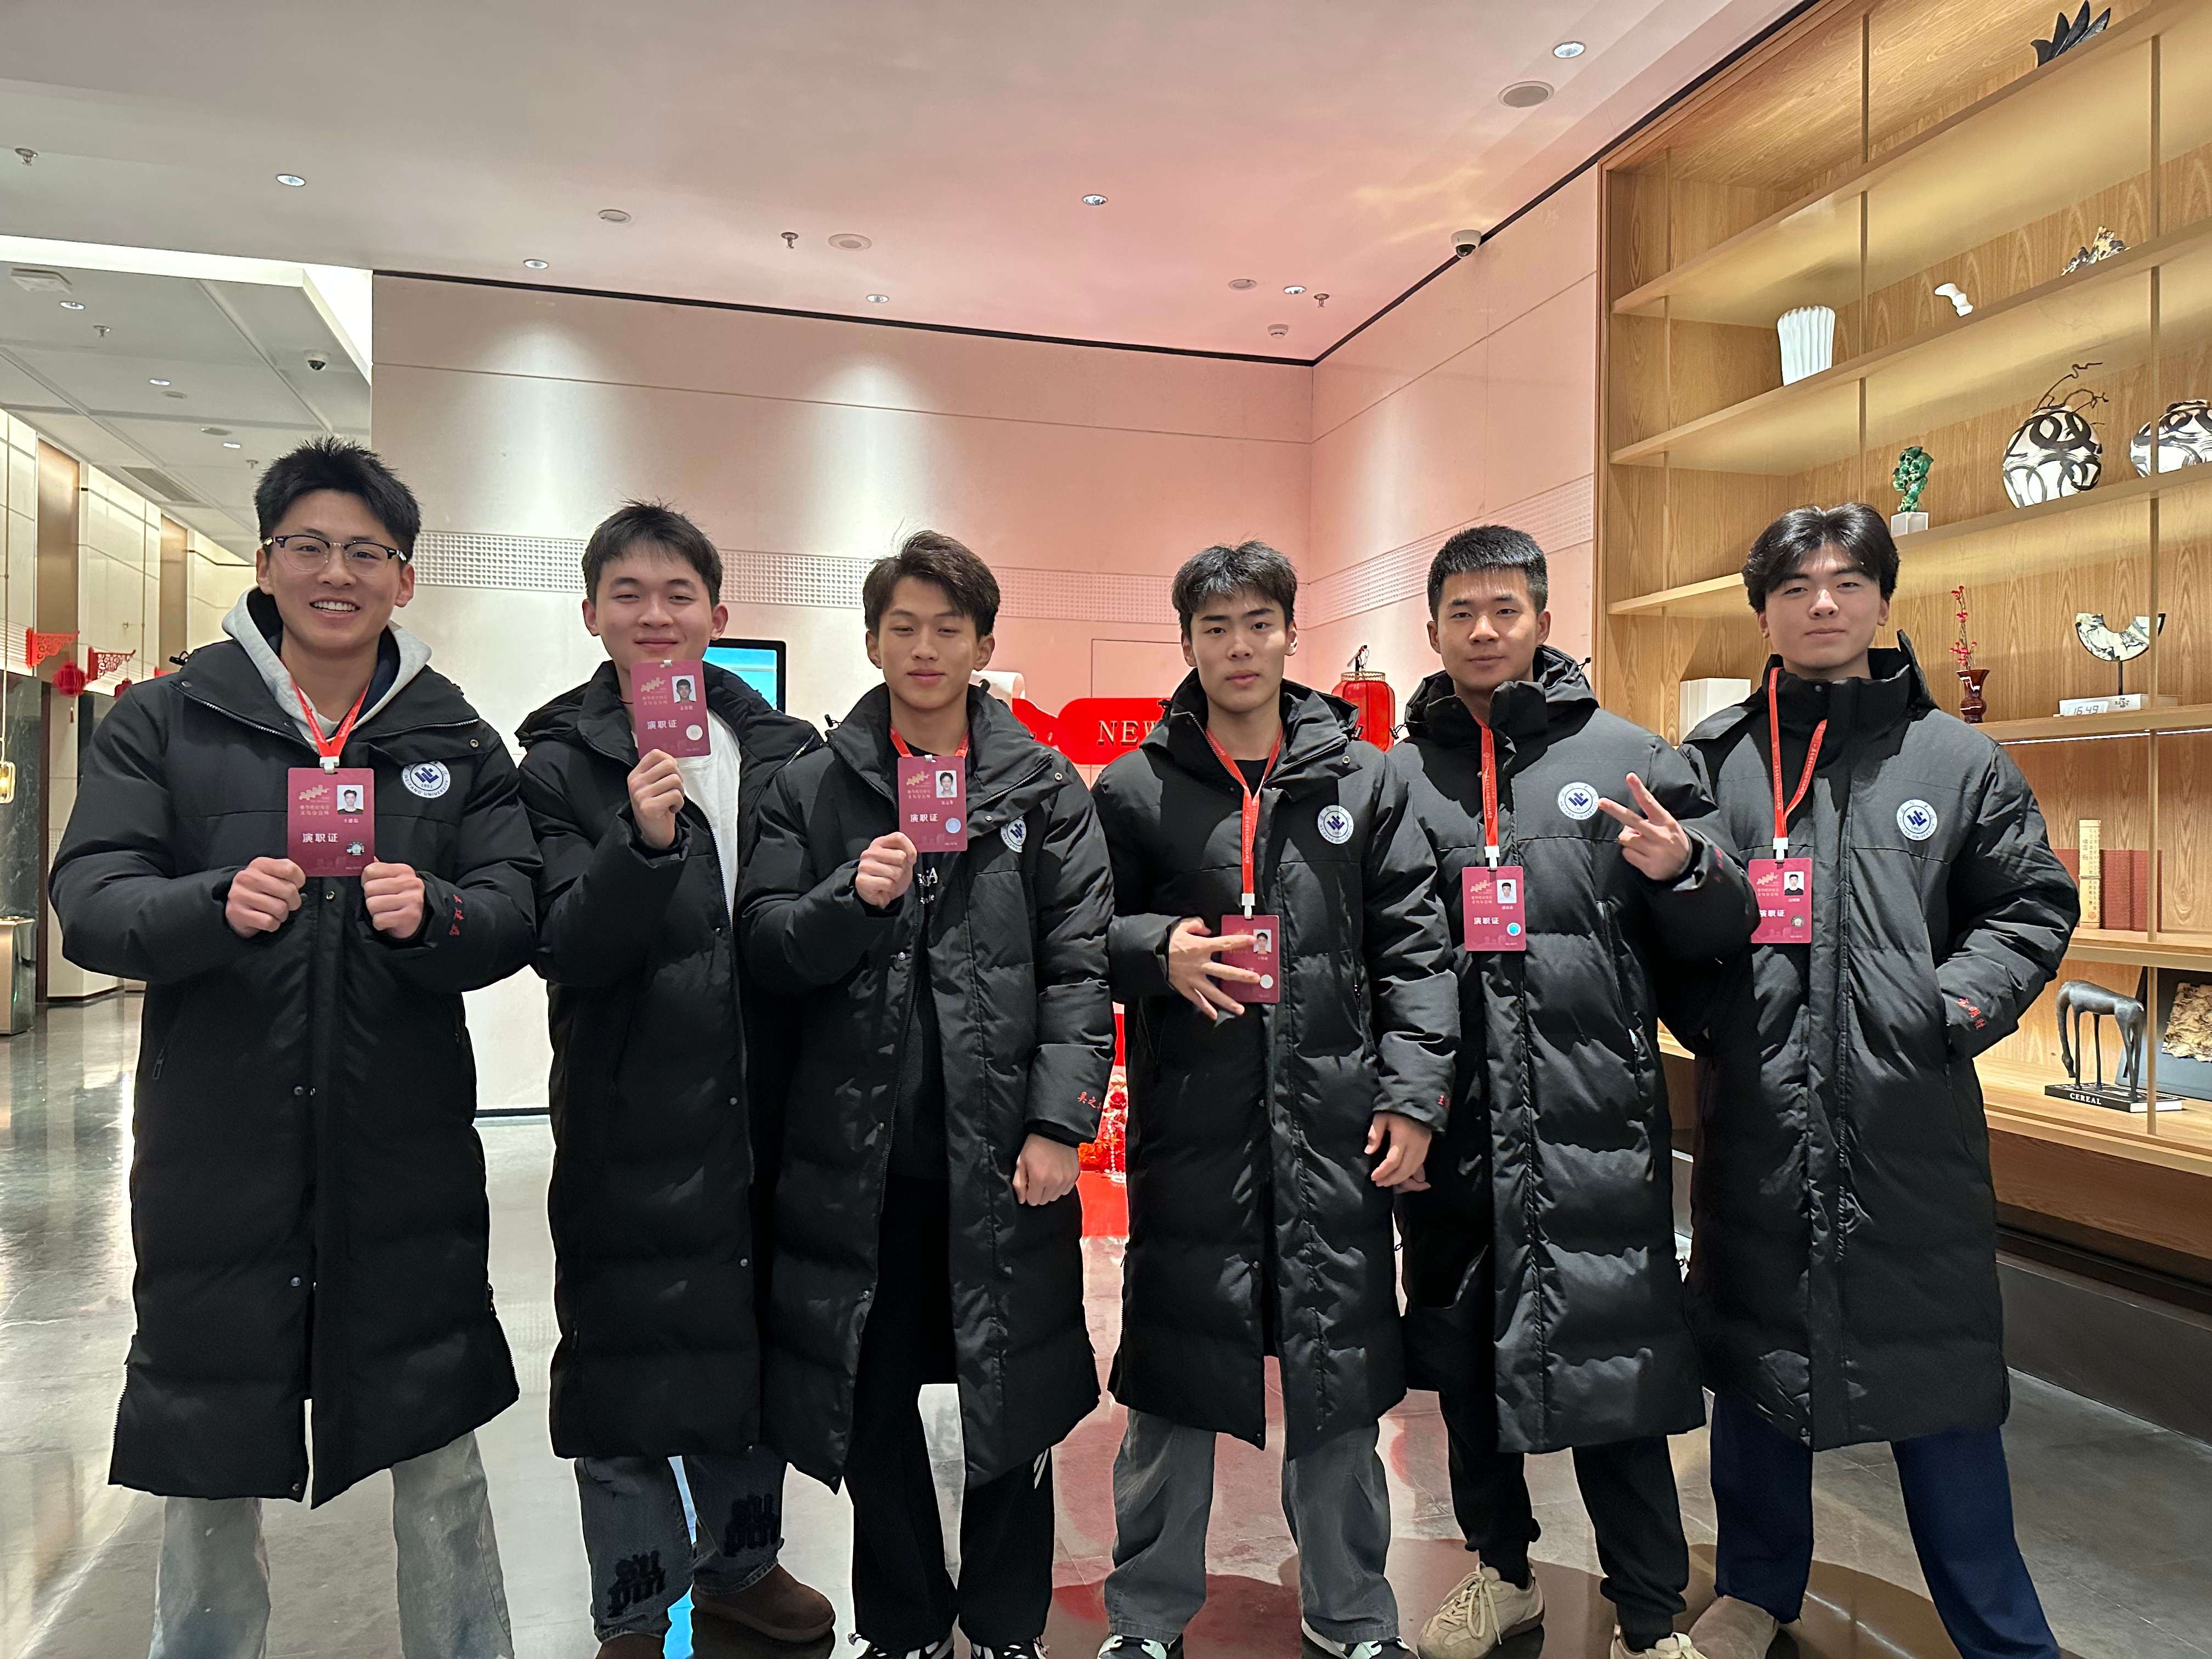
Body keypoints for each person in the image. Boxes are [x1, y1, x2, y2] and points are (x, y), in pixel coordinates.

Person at [51, 438, 539, 1659]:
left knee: (439, 1451)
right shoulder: (170, 718)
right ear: (265, 563)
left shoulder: (454, 736)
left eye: (366, 552)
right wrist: (210, 904)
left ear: (403, 579)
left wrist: (439, 913)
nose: (337, 574)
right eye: (310, 547)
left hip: (405, 1157)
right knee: (208, 1461)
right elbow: (92, 898)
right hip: (218, 1157)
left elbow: (517, 904)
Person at [1679, 505, 2078, 1659]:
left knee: (1941, 1388)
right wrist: (1728, 1023)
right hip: (1761, 1123)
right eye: (1794, 587)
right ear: (1762, 612)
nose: (1822, 604)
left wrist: (1944, 1009)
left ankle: (2001, 1632)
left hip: (1911, 1128)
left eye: (1848, 581)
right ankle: (1754, 1590)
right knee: (1759, 1368)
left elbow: (2030, 906)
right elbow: (1669, 933)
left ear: (1883, 601)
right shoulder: (1715, 761)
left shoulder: (1956, 761)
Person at [739, 531, 1115, 1659]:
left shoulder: (1044, 787)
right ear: (871, 642)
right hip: (862, 1166)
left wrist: (1057, 1123)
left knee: (1016, 1394)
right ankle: (903, 1622)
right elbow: (766, 947)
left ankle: (1004, 1623)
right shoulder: (814, 786)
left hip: (1000, 1162)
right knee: (871, 1399)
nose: (925, 648)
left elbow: (1079, 965)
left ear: (984, 645)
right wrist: (849, 901)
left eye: (949, 627)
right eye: (902, 626)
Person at [1388, 527, 1754, 1659]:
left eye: (1506, 609)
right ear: (1433, 628)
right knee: (1463, 1373)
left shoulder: (1630, 757)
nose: (1484, 630)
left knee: (1619, 1380)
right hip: (1453, 1132)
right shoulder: (1397, 778)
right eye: (1461, 612)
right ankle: (1503, 1574)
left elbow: (1722, 933)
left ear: (1545, 620)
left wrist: (1690, 872)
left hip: (1593, 1128)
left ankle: (1648, 1618)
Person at [1090, 540, 1457, 1659]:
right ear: (1188, 642)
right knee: (1171, 1385)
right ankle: (1145, 1621)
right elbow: (1080, 935)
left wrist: (1415, 1095)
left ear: (1292, 633)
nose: (1239, 647)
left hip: (1333, 1133)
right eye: (1215, 628)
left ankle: (1354, 1618)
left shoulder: (1366, 779)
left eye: (1258, 624)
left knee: (1338, 1388)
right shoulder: (1136, 787)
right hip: (1191, 1136)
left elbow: (1416, 950)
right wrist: (1158, 950)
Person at [516, 502, 834, 1659]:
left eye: (678, 594)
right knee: (622, 1368)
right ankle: (635, 1606)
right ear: (591, 614)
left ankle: (742, 1566)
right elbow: (564, 945)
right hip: (625, 1116)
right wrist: (641, 848)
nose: (656, 615)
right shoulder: (559, 763)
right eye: (629, 594)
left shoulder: (784, 752)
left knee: (746, 1353)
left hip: (765, 1109)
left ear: (718, 612)